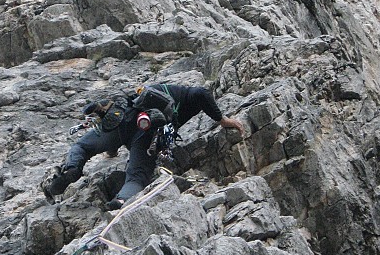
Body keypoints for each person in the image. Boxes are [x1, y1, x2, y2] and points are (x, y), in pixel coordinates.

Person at [42, 83, 244, 208]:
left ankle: (71, 170)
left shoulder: (144, 93)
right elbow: (201, 93)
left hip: (121, 120)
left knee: (82, 147)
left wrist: (111, 149)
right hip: (147, 132)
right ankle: (120, 201)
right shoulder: (182, 95)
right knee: (137, 177)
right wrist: (222, 120)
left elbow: (120, 118)